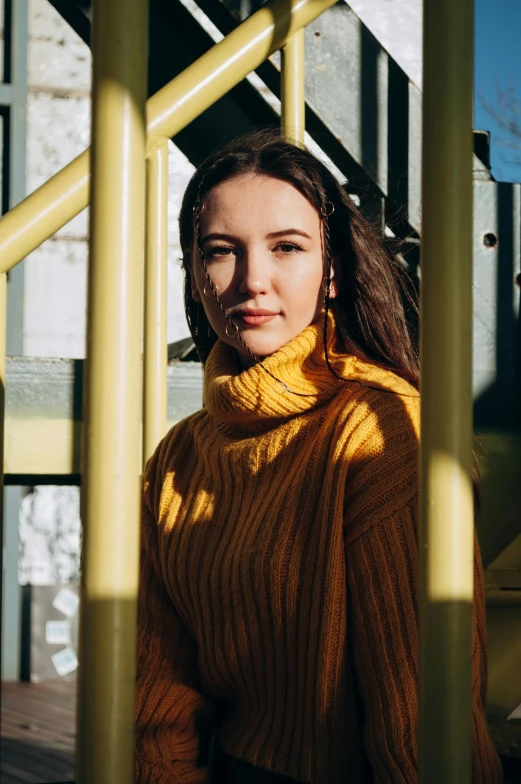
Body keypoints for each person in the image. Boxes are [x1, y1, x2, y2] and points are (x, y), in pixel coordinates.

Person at [134, 129, 502, 783]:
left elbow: (416, 716)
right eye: (220, 252)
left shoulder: (380, 431)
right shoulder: (178, 457)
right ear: (195, 276)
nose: (252, 280)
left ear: (331, 272)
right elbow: (155, 681)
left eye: (287, 248)